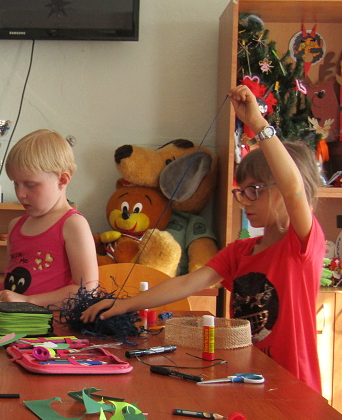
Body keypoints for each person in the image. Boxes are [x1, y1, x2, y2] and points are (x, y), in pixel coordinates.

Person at [82, 85, 325, 393]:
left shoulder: (301, 245)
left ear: (281, 191)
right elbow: (186, 283)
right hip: (252, 378)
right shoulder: (240, 252)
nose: (244, 202)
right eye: (241, 192)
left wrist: (256, 122)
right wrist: (124, 305)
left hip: (295, 385)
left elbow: (293, 188)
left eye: (254, 191)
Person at [0, 129, 98, 307]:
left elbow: (87, 291)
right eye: (15, 183)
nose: (20, 194)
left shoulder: (73, 225)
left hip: (55, 322)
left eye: (30, 185)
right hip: (14, 320)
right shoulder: (15, 225)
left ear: (62, 180)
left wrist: (29, 301)